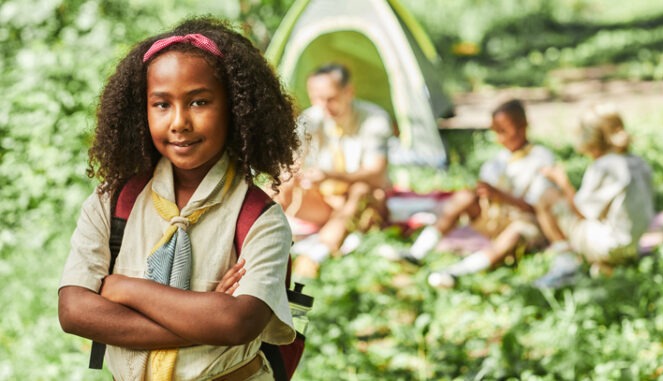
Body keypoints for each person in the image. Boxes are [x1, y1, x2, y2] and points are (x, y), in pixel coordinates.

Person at [58, 17, 300, 380]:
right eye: (161, 105)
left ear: (234, 108)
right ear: (142, 111)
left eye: (199, 102)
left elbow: (237, 323)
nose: (179, 122)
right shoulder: (112, 203)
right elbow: (74, 311)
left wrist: (125, 289)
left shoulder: (259, 218)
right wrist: (204, 318)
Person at [402, 99, 555, 288]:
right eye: (496, 131)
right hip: (492, 218)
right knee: (465, 196)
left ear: (523, 126)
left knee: (515, 235)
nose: (500, 138)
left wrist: (501, 196)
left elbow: (540, 209)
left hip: (523, 221)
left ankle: (456, 272)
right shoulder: (498, 161)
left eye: (504, 131)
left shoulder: (541, 158)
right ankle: (417, 252)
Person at [274, 63, 392, 279]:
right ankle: (251, 243)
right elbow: (289, 163)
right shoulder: (311, 118)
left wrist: (330, 175)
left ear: (349, 92)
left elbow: (376, 171)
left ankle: (318, 252)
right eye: (316, 99)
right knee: (281, 184)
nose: (324, 106)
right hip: (325, 202)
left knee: (361, 190)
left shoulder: (373, 119)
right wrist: (293, 173)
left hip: (364, 200)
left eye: (330, 98)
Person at [533, 103, 654, 288]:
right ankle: (606, 265)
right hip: (634, 243)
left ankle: (566, 267)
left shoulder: (603, 166)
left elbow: (581, 213)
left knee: (546, 197)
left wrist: (563, 182)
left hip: (612, 246)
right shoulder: (637, 162)